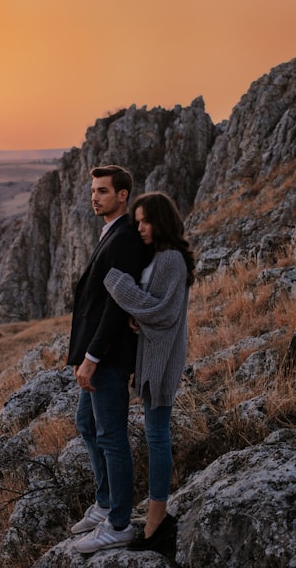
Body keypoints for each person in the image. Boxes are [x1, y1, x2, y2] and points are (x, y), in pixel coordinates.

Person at [103, 191, 194, 553]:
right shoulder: (161, 257)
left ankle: (157, 520)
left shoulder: (171, 259)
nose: (139, 227)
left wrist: (120, 287)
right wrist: (138, 317)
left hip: (163, 360)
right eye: (136, 221)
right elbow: (154, 311)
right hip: (155, 357)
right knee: (155, 433)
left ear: (162, 221)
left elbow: (163, 313)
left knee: (157, 436)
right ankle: (157, 515)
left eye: (145, 221)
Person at [68, 164, 152, 554]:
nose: (95, 197)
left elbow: (116, 309)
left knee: (112, 437)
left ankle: (119, 523)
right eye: (93, 191)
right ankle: (104, 504)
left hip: (109, 358)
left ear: (123, 195)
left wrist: (91, 357)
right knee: (86, 423)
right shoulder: (110, 232)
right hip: (97, 354)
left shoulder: (123, 239)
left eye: (103, 191)